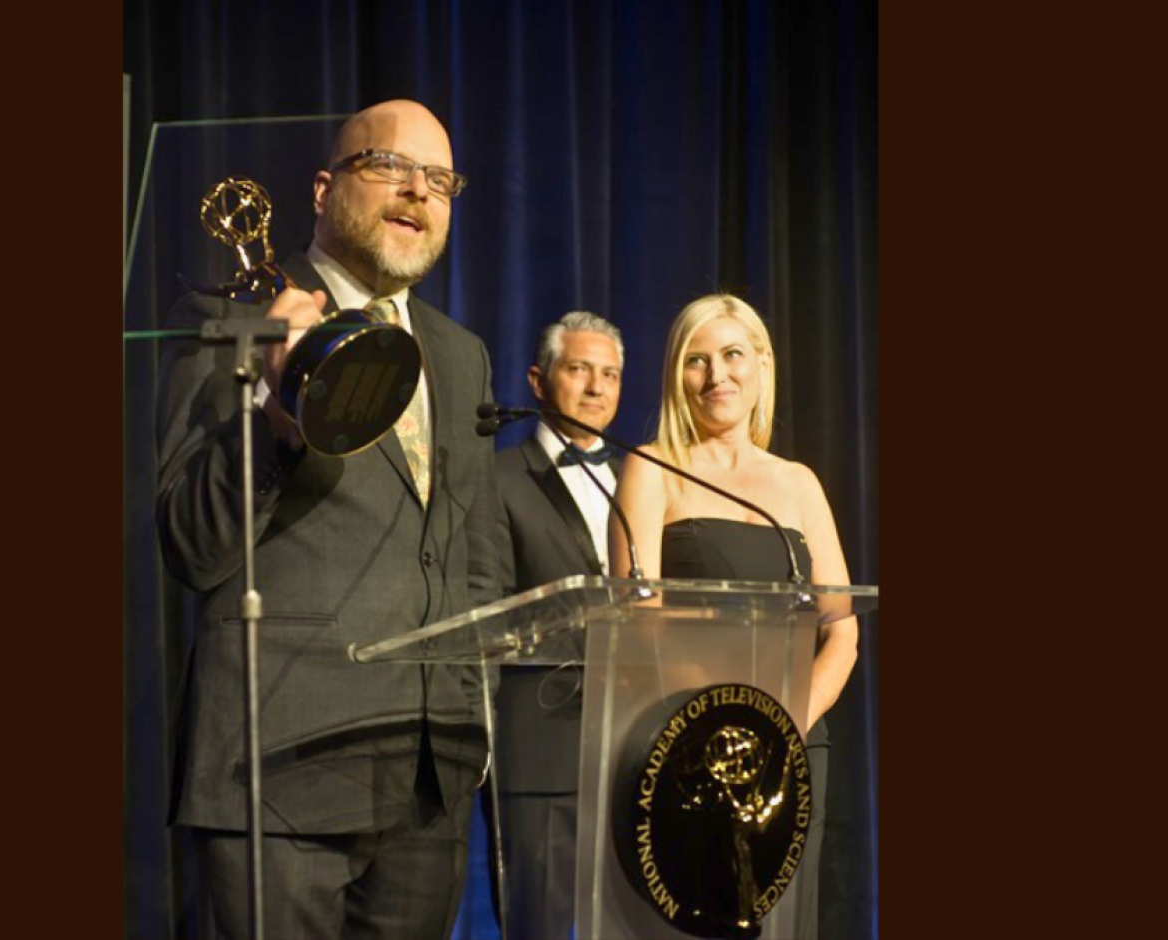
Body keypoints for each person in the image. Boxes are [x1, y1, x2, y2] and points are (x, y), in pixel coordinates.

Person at [156, 99, 501, 940]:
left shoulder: (460, 355)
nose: (418, 193)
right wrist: (278, 411)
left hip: (427, 782)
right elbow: (190, 544)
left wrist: (469, 704)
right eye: (389, 167)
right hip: (278, 769)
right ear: (323, 188)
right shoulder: (236, 322)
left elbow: (473, 555)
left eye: (440, 180)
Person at [609, 293, 858, 940]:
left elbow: (842, 630)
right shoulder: (651, 468)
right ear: (675, 375)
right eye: (696, 360)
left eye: (732, 355)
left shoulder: (799, 482)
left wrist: (782, 724)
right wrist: (728, 722)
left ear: (762, 367)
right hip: (690, 747)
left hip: (794, 744)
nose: (716, 375)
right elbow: (642, 622)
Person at [490, 312, 624, 939]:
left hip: (637, 742)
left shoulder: (649, 479)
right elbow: (487, 611)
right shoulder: (495, 480)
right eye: (579, 370)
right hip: (542, 744)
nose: (597, 388)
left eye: (611, 375)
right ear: (539, 381)